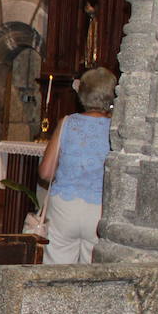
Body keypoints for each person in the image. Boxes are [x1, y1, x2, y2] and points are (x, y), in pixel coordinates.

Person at [39, 67, 116, 264]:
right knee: (92, 274)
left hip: (64, 208)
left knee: (55, 272)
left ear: (82, 93)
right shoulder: (117, 129)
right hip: (100, 210)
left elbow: (46, 172)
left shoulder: (67, 123)